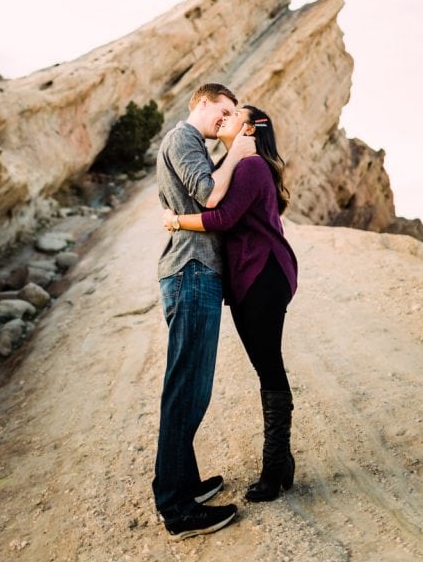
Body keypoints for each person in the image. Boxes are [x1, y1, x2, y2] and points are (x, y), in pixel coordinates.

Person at [164, 104, 298, 502]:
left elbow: (220, 218)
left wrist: (174, 221)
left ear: (252, 127)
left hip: (264, 273)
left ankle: (274, 468)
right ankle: (282, 461)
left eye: (235, 113)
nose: (226, 117)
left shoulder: (252, 166)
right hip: (248, 277)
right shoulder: (238, 165)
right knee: (265, 364)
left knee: (269, 364)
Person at [153, 82, 257, 540]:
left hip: (196, 272)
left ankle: (186, 484)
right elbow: (211, 195)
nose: (227, 117)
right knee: (187, 388)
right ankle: (176, 508)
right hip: (191, 271)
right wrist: (239, 151)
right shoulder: (184, 138)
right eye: (224, 108)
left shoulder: (193, 145)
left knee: (191, 384)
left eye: (234, 112)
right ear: (202, 102)